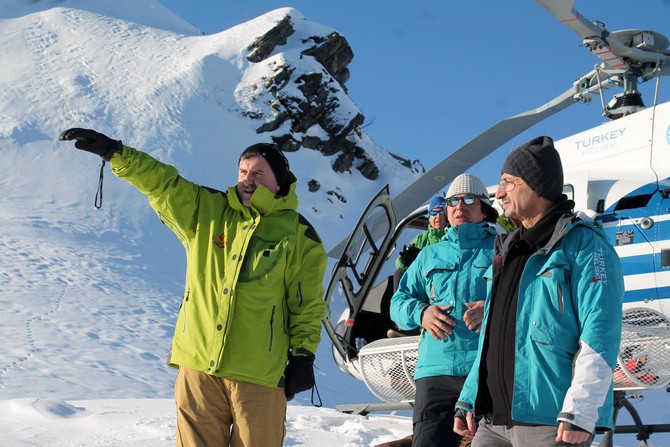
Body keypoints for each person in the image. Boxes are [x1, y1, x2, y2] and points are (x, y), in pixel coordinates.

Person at [59, 128, 328, 447]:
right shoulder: (208, 211)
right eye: (243, 171)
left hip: (258, 375)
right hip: (198, 366)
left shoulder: (299, 236)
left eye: (258, 172)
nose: (247, 179)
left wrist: (302, 356)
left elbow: (307, 305)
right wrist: (116, 152)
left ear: (279, 181)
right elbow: (163, 183)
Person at [454, 136, 624, 447]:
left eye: (508, 182)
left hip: (551, 422)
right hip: (493, 421)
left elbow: (601, 331)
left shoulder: (585, 246)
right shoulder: (509, 249)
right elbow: (491, 335)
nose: (499, 191)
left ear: (536, 185)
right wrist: (469, 397)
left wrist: (581, 411)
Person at [385, 174, 499, 447]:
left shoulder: (502, 249)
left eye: (469, 199)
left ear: (484, 207)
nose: (460, 206)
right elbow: (397, 303)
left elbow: (524, 301)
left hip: (486, 369)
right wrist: (422, 312)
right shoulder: (429, 255)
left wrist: (493, 310)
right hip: (435, 372)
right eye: (453, 201)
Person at [393, 195, 448, 293]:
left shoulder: (452, 236)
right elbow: (398, 264)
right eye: (434, 213)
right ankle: (398, 306)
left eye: (441, 212)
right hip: (422, 280)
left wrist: (421, 257)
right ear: (429, 217)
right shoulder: (421, 239)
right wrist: (404, 260)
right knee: (399, 273)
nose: (438, 216)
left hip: (442, 280)